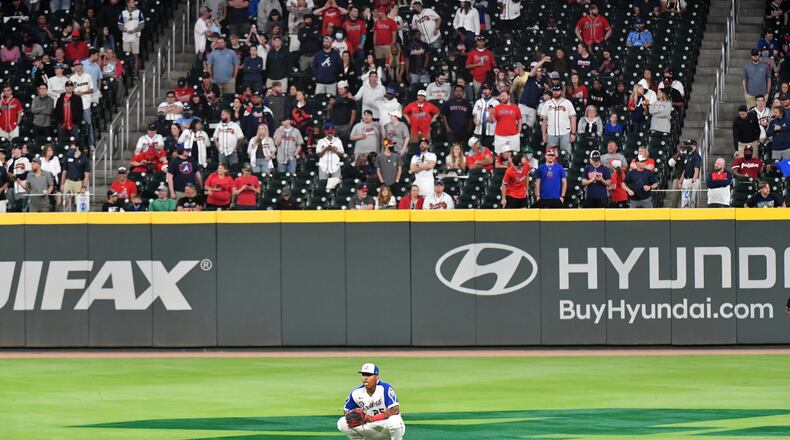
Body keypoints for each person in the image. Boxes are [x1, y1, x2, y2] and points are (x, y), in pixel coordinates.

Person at [338, 363, 404, 439]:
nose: (365, 378)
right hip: (369, 427)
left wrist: (372, 418)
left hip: (386, 426)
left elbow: (395, 410)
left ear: (376, 377)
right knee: (342, 422)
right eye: (363, 375)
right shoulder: (356, 393)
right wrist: (355, 415)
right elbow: (346, 412)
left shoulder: (384, 388)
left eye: (369, 375)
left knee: (395, 420)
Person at [540, 84, 577, 156]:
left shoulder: (567, 102)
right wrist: (544, 134)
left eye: (557, 90)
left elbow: (573, 118)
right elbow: (544, 120)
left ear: (561, 91)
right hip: (551, 133)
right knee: (550, 155)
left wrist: (573, 133)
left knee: (566, 155)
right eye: (554, 91)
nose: (555, 92)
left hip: (565, 133)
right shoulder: (547, 103)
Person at [488, 90, 522, 154]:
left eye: (504, 96)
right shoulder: (497, 107)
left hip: (513, 136)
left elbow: (519, 119)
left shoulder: (515, 107)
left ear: (508, 96)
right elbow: (492, 121)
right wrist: (490, 114)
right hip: (500, 136)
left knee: (514, 154)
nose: (502, 98)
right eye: (501, 96)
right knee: (499, 154)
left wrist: (519, 131)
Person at [60, 143, 91, 210]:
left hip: (79, 182)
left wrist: (84, 187)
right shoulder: (68, 157)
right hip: (68, 181)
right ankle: (66, 216)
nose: (71, 148)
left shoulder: (84, 159)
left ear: (77, 147)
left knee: (79, 203)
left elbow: (87, 174)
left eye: (72, 146)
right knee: (66, 201)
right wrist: (62, 184)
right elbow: (64, 171)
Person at [119, 0, 145, 74]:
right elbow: (119, 25)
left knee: (135, 55)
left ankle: (135, 72)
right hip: (126, 37)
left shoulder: (139, 12)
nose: (134, 3)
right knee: (126, 56)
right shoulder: (123, 13)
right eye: (132, 2)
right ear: (128, 3)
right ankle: (127, 72)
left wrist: (134, 30)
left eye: (134, 2)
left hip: (135, 36)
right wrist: (125, 29)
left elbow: (142, 24)